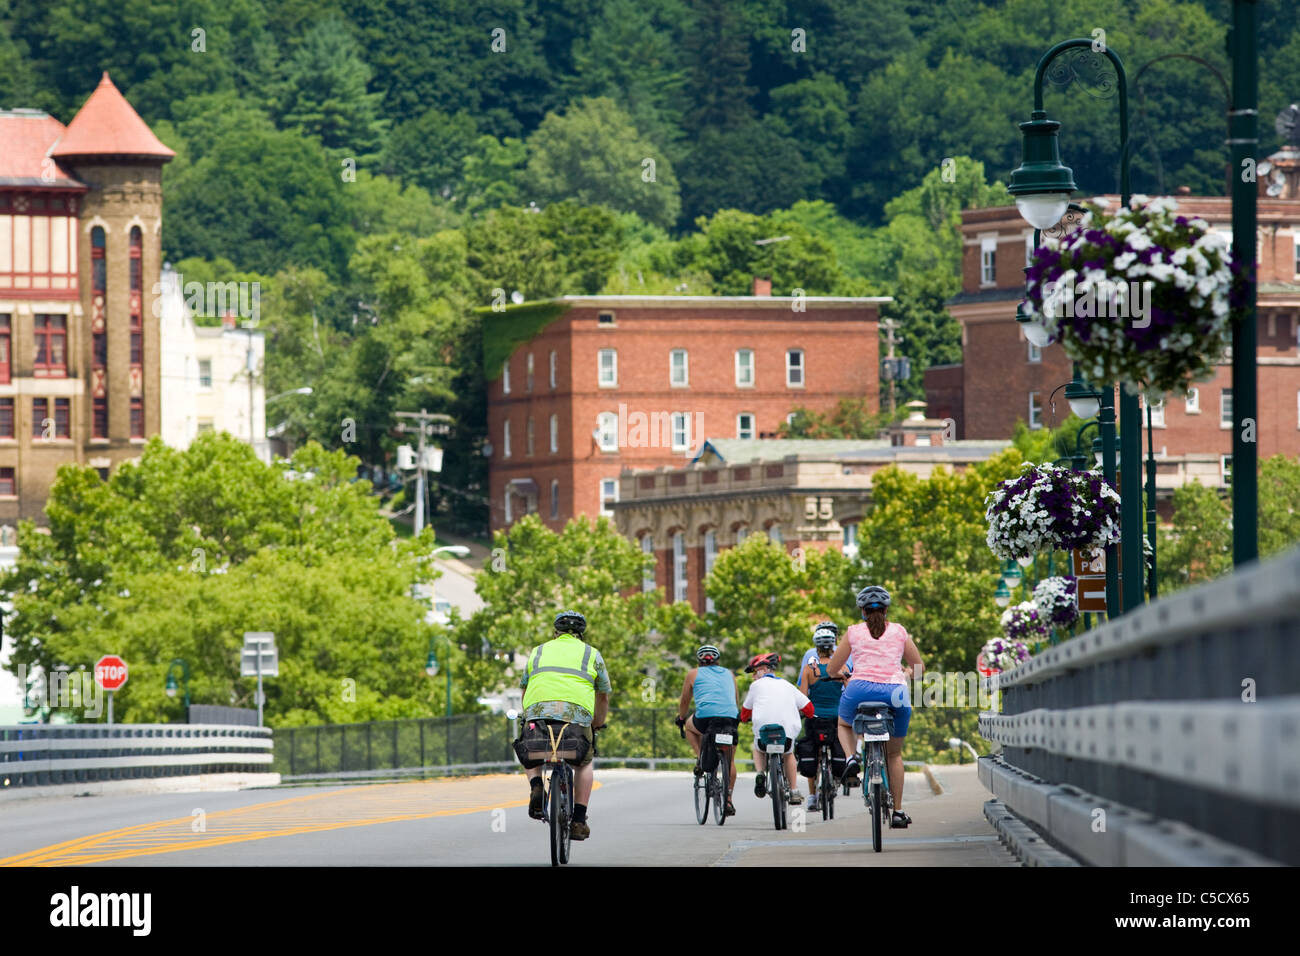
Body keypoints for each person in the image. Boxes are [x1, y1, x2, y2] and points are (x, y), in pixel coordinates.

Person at [829, 586, 922, 828]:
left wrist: (840, 674)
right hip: (895, 693)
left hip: (859, 689)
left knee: (843, 723)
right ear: (887, 609)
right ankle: (899, 812)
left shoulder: (853, 632)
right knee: (894, 754)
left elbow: (831, 669)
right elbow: (919, 667)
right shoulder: (900, 632)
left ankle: (851, 758)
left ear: (862, 610)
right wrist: (909, 673)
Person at [517, 610, 611, 840]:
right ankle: (579, 820)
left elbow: (524, 688)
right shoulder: (592, 654)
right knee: (584, 762)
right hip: (576, 716)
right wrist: (597, 723)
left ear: (555, 632)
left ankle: (537, 786)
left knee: (530, 749)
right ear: (581, 634)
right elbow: (603, 696)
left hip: (538, 713)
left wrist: (529, 715)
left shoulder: (537, 651)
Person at [739, 652, 814, 805]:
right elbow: (809, 708)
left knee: (757, 747)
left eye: (755, 672)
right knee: (788, 754)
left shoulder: (755, 686)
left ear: (765, 669)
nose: (753, 676)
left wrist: (745, 718)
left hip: (763, 734)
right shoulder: (788, 686)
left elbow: (744, 713)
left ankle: (760, 773)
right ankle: (793, 790)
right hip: (785, 735)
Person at [676, 645, 740, 816]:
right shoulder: (729, 673)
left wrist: (681, 718)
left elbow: (685, 701)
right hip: (731, 718)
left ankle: (700, 756)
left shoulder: (693, 674)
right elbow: (735, 699)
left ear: (699, 661)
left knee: (690, 726)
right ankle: (728, 800)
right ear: (718, 660)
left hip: (706, 719)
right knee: (731, 760)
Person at [796, 622, 848, 812]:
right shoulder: (841, 667)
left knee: (814, 751)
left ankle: (812, 796)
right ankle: (836, 778)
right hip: (836, 718)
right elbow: (849, 692)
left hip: (815, 718)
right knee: (840, 745)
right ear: (833, 646)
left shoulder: (809, 669)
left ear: (816, 648)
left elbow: (803, 698)